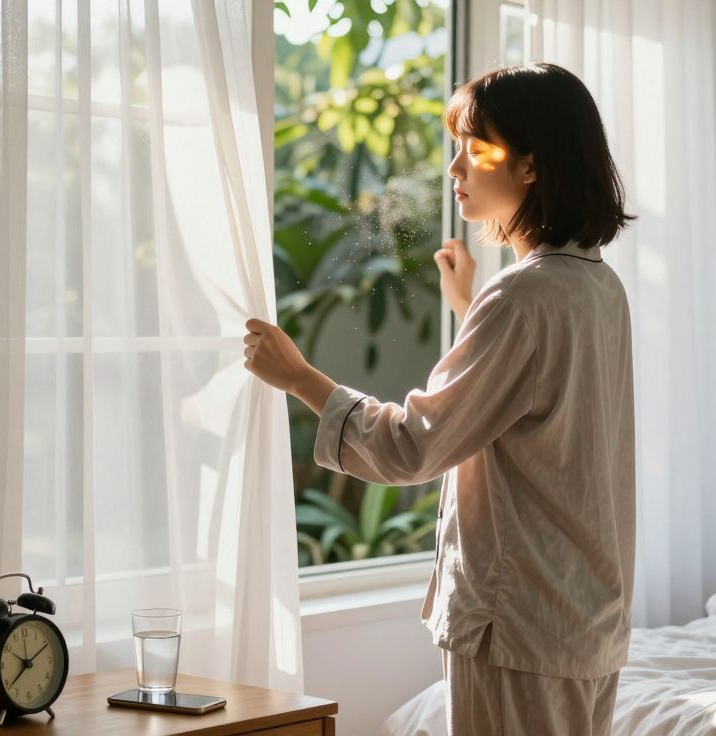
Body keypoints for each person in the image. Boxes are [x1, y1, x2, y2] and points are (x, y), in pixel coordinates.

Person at [244, 63, 636, 736]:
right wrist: (471, 307)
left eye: (473, 146)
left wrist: (300, 376)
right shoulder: (596, 286)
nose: (454, 165)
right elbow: (536, 411)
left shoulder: (522, 300)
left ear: (532, 166)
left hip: (520, 626)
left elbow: (411, 448)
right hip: (580, 619)